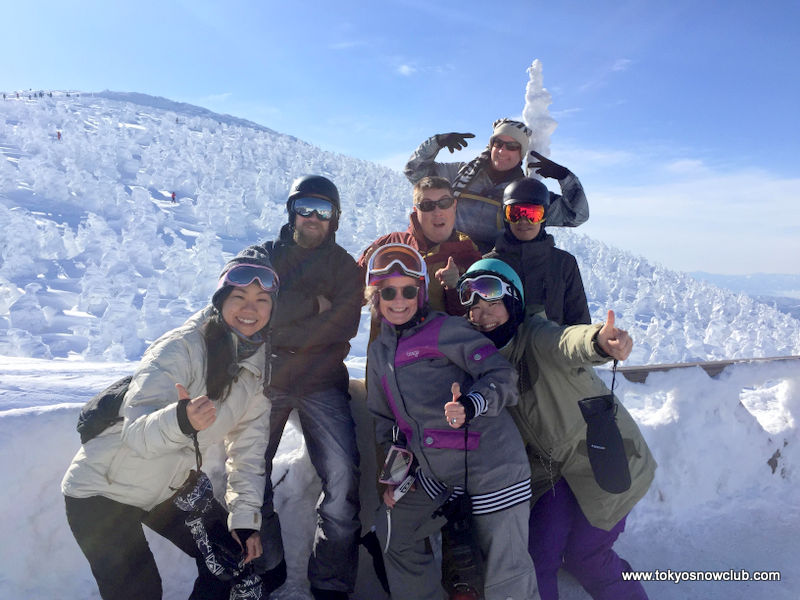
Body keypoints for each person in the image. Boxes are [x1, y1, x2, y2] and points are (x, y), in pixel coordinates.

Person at [61, 246, 280, 600]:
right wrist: (180, 420)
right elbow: (136, 431)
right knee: (140, 593)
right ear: (220, 301)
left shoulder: (254, 370)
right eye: (239, 296)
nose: (250, 309)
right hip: (102, 491)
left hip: (170, 485)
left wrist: (243, 518)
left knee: (232, 565)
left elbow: (248, 453)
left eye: (262, 300)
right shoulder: (180, 348)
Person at [457, 258, 656, 600]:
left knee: (587, 557)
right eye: (475, 307)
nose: (484, 314)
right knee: (537, 558)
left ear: (514, 303)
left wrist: (600, 342)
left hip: (604, 462)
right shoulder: (481, 360)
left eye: (494, 304)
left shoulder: (535, 335)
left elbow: (567, 341)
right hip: (551, 473)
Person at [365, 243, 538, 600]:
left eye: (409, 291)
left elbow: (501, 374)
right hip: (435, 471)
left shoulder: (444, 331)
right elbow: (385, 420)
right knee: (393, 532)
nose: (399, 301)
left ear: (421, 293)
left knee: (505, 575)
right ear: (375, 297)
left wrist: (473, 404)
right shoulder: (379, 352)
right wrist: (394, 477)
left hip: (492, 464)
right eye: (389, 292)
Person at [256, 175, 363, 600]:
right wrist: (311, 307)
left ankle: (330, 583)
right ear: (291, 210)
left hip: (322, 380)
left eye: (323, 210)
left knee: (342, 478)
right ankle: (269, 566)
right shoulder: (266, 255)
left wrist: (282, 313)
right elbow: (245, 303)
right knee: (249, 469)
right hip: (271, 376)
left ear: (335, 218)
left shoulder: (345, 266)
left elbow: (344, 322)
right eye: (306, 207)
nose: (313, 217)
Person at [404, 118, 589, 253]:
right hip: (446, 258)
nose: (502, 151)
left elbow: (575, 215)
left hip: (494, 270)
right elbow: (414, 172)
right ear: (491, 146)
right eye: (498, 143)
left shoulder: (525, 193)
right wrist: (436, 143)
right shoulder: (459, 174)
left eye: (512, 146)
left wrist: (565, 177)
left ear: (521, 154)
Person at [357, 175, 481, 316]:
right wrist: (366, 268)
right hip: (389, 337)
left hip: (440, 337)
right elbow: (352, 298)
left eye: (444, 202)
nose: (437, 211)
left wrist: (455, 288)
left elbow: (477, 318)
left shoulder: (468, 253)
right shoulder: (390, 245)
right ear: (416, 211)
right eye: (427, 205)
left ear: (454, 205)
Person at [486, 177, 590, 325]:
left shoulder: (563, 264)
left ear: (545, 217)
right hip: (502, 348)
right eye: (514, 213)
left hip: (552, 347)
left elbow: (579, 322)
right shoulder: (490, 265)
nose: (523, 221)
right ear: (505, 217)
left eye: (532, 214)